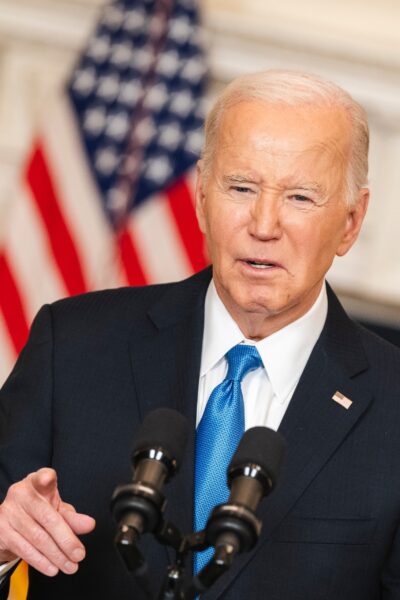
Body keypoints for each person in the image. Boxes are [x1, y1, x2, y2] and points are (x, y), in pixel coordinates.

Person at [0, 70, 399, 599]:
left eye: (300, 198)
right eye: (241, 187)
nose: (263, 223)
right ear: (201, 197)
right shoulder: (72, 345)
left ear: (351, 222)